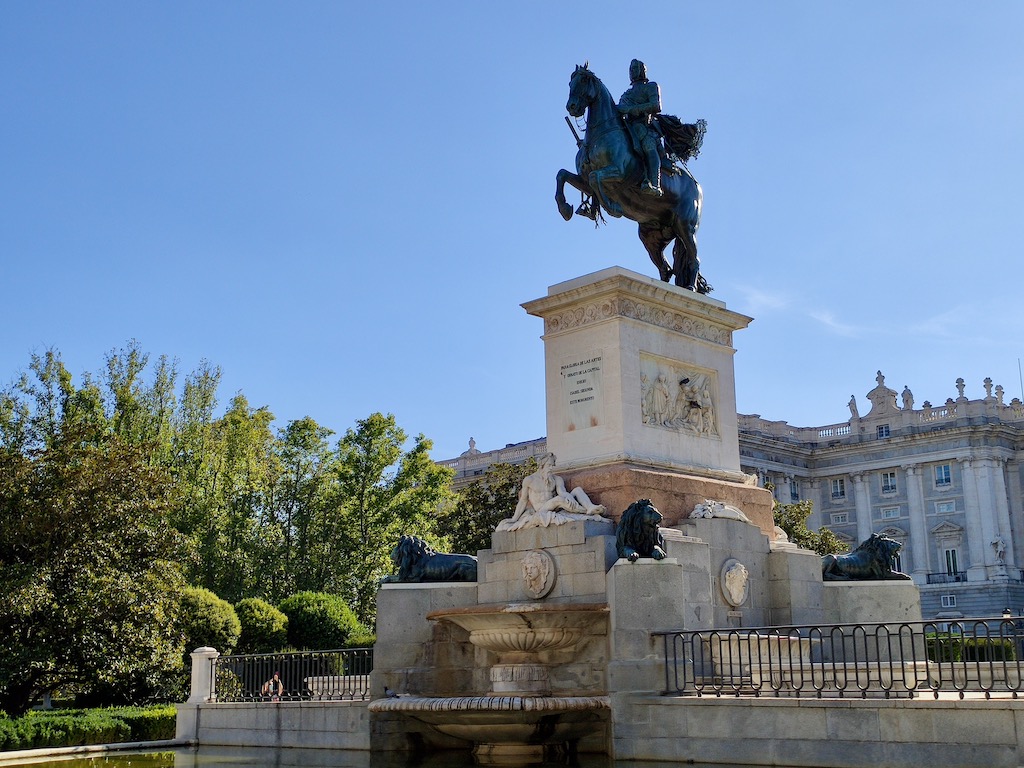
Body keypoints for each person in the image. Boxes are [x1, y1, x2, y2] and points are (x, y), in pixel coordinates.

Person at [496, 453, 605, 531]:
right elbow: (523, 501)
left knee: (577, 490)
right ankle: (587, 512)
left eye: (553, 465)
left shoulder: (556, 479)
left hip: (555, 507)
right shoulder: (530, 480)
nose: (551, 468)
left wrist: (569, 496)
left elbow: (562, 492)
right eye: (549, 465)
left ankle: (590, 507)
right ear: (541, 466)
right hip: (541, 510)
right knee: (558, 499)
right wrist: (514, 518)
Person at [617, 59, 664, 196]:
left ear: (642, 70)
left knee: (649, 146)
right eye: (631, 69)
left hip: (645, 126)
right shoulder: (626, 94)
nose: (633, 72)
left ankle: (655, 184)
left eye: (635, 68)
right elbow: (620, 109)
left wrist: (634, 109)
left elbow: (656, 106)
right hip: (628, 126)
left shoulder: (651, 86)